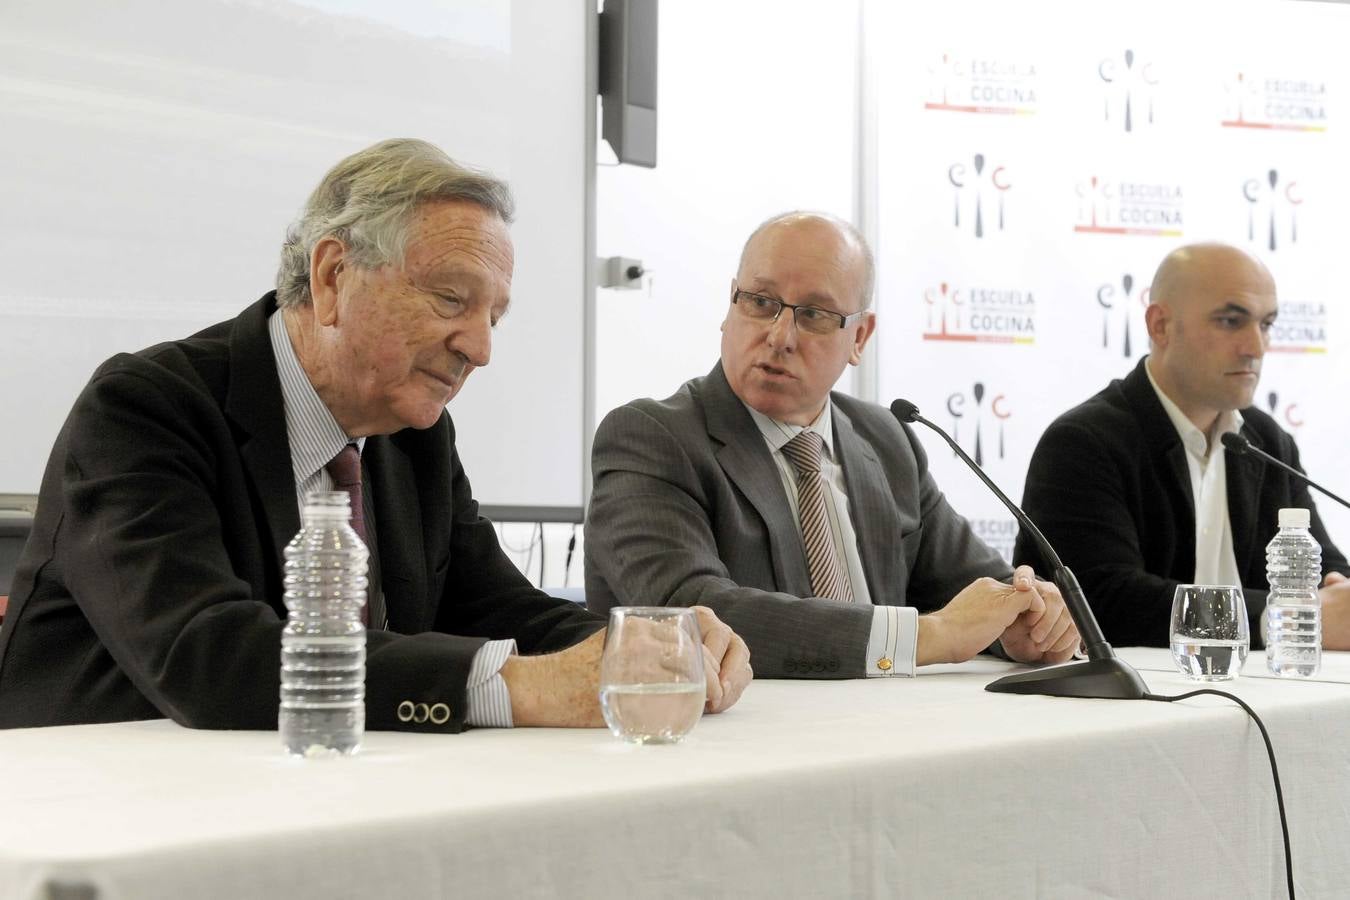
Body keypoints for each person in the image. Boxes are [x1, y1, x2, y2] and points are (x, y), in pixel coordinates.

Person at [0, 139, 751, 732]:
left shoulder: (413, 436)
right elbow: (208, 658)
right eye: (453, 299)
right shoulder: (144, 408)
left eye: (496, 316)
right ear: (331, 278)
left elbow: (501, 608)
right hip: (97, 814)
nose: (481, 348)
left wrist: (646, 644)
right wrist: (512, 687)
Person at [585, 211, 1078, 677]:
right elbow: (689, 611)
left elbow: (976, 588)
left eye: (815, 314)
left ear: (860, 336)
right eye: (760, 303)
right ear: (730, 305)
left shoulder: (886, 440)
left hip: (891, 733)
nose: (779, 336)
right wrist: (930, 636)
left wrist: (1023, 619)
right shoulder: (652, 438)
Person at [1016, 242, 1350, 648]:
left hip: (1249, 696)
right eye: (1231, 321)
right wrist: (1282, 620)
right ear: (1160, 326)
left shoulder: (1266, 442)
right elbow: (1100, 602)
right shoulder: (1083, 442)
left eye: (1266, 324)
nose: (1256, 348)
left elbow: (1325, 574)